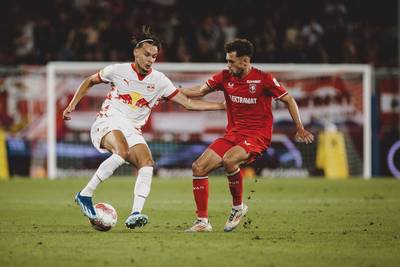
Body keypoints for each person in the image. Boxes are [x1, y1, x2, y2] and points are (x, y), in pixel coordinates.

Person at [62, 26, 225, 229]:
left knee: (147, 163)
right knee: (121, 152)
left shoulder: (160, 81)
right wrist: (72, 105)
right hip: (107, 122)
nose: (150, 59)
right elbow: (89, 81)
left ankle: (135, 213)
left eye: (154, 56)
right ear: (136, 52)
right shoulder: (117, 70)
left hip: (132, 129)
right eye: (147, 54)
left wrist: (219, 105)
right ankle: (85, 194)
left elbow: (188, 103)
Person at [181, 38, 314, 232]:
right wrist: (173, 92)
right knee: (198, 167)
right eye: (227, 60)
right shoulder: (224, 76)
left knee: (229, 160)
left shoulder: (264, 79)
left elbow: (289, 99)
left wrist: (299, 127)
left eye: (231, 61)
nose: (228, 65)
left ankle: (237, 208)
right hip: (233, 134)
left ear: (245, 61)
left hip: (257, 136)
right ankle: (202, 222)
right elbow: (199, 91)